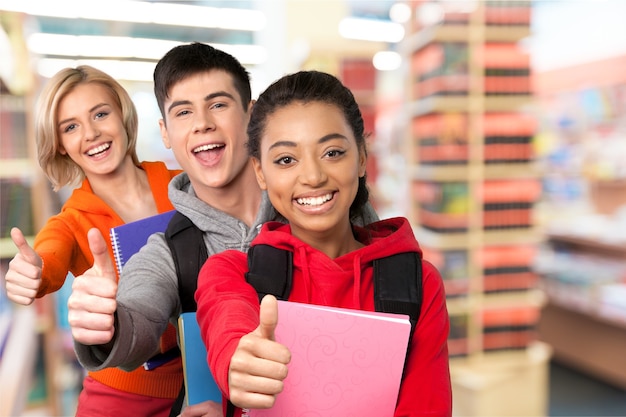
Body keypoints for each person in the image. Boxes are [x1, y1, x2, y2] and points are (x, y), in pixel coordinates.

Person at [67, 43, 378, 416]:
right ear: (165, 134)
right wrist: (106, 324)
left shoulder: (320, 203)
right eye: (183, 112)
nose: (203, 123)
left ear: (250, 115)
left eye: (218, 104)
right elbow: (139, 318)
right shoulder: (168, 251)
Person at [194, 70, 452, 417]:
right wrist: (240, 359)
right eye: (286, 159)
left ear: (361, 157)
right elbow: (228, 317)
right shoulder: (233, 273)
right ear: (260, 172)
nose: (313, 176)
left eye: (332, 152)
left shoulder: (418, 284)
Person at [3, 65, 183, 416]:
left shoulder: (183, 187)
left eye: (100, 114)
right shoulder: (71, 222)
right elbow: (48, 257)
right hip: (119, 400)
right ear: (61, 146)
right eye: (70, 127)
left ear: (122, 114)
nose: (91, 133)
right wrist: (33, 271)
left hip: (203, 385)